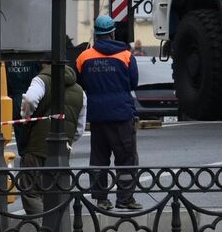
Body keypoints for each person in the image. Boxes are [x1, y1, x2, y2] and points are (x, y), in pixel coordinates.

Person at [76, 15, 141, 210]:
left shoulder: (84, 57)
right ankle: (125, 199)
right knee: (126, 158)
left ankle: (101, 199)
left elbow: (80, 83)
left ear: (96, 34)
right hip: (122, 115)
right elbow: (133, 82)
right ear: (112, 33)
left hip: (97, 116)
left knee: (98, 159)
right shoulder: (126, 56)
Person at [19, 48, 87, 216]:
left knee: (32, 189)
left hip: (37, 145)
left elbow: (29, 99)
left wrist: (25, 117)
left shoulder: (41, 80)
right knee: (57, 192)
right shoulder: (80, 91)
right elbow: (80, 128)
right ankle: (57, 225)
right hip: (63, 150)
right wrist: (68, 139)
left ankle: (41, 225)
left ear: (43, 63)